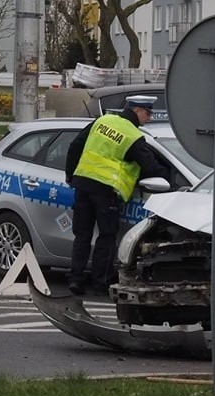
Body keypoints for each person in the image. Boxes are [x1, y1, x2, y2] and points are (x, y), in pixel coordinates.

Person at [64, 95, 168, 296]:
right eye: (148, 113)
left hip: (83, 185)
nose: (150, 117)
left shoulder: (101, 121)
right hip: (106, 191)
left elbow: (75, 146)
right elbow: (150, 166)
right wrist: (170, 179)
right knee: (107, 236)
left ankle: (75, 279)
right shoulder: (132, 135)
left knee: (82, 236)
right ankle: (100, 281)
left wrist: (71, 175)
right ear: (137, 110)